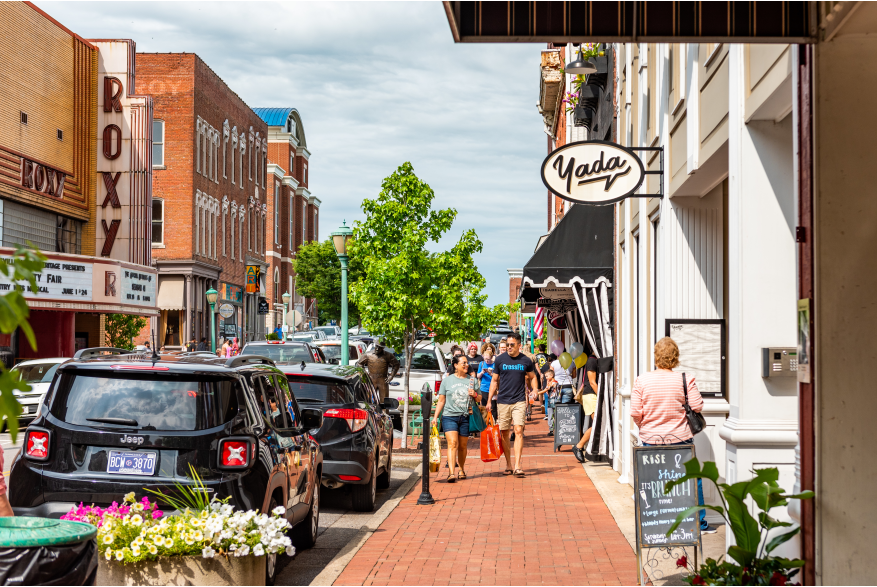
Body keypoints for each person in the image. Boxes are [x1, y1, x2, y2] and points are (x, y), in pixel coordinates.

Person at [630, 337, 715, 534]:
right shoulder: (685, 379)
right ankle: (699, 523)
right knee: (692, 479)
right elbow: (697, 406)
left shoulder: (642, 380)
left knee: (651, 479)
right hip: (680, 439)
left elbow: (635, 411)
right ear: (676, 357)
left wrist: (644, 425)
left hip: (651, 439)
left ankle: (655, 519)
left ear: (656, 356)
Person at [486, 332, 537, 478]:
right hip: (503, 401)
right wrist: (489, 400)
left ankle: (518, 465)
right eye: (507, 344)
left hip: (520, 400)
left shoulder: (526, 361)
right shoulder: (500, 360)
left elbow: (532, 377)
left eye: (512, 345)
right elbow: (494, 381)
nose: (508, 347)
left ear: (519, 346)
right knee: (504, 433)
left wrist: (535, 389)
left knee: (519, 430)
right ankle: (508, 464)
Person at [432, 355, 481, 482]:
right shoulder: (447, 381)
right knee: (452, 443)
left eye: (467, 363)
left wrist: (475, 394)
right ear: (455, 365)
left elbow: (479, 398)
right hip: (449, 416)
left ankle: (461, 469)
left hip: (465, 416)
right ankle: (451, 473)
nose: (466, 365)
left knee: (463, 446)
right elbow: (441, 401)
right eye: (463, 363)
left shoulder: (472, 380)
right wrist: (435, 417)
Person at [572, 354, 600, 462]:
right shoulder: (592, 361)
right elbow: (592, 383)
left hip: (591, 395)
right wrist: (601, 397)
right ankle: (579, 446)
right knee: (596, 425)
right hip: (591, 395)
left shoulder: (592, 360)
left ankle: (582, 446)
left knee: (596, 425)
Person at [477, 346, 498, 420]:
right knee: (484, 406)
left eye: (488, 359)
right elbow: (478, 376)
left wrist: (490, 373)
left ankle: (493, 422)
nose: (486, 361)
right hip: (484, 388)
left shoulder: (494, 364)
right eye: (485, 359)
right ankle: (485, 422)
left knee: (493, 406)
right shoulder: (481, 364)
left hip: (493, 388)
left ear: (491, 357)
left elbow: (497, 377)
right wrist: (482, 372)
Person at [536, 369, 558, 435]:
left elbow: (545, 389)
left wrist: (537, 393)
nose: (546, 378)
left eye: (547, 376)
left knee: (550, 415)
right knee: (553, 415)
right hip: (553, 400)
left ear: (552, 375)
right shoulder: (554, 382)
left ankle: (551, 429)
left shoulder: (552, 382)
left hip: (552, 400)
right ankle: (554, 429)